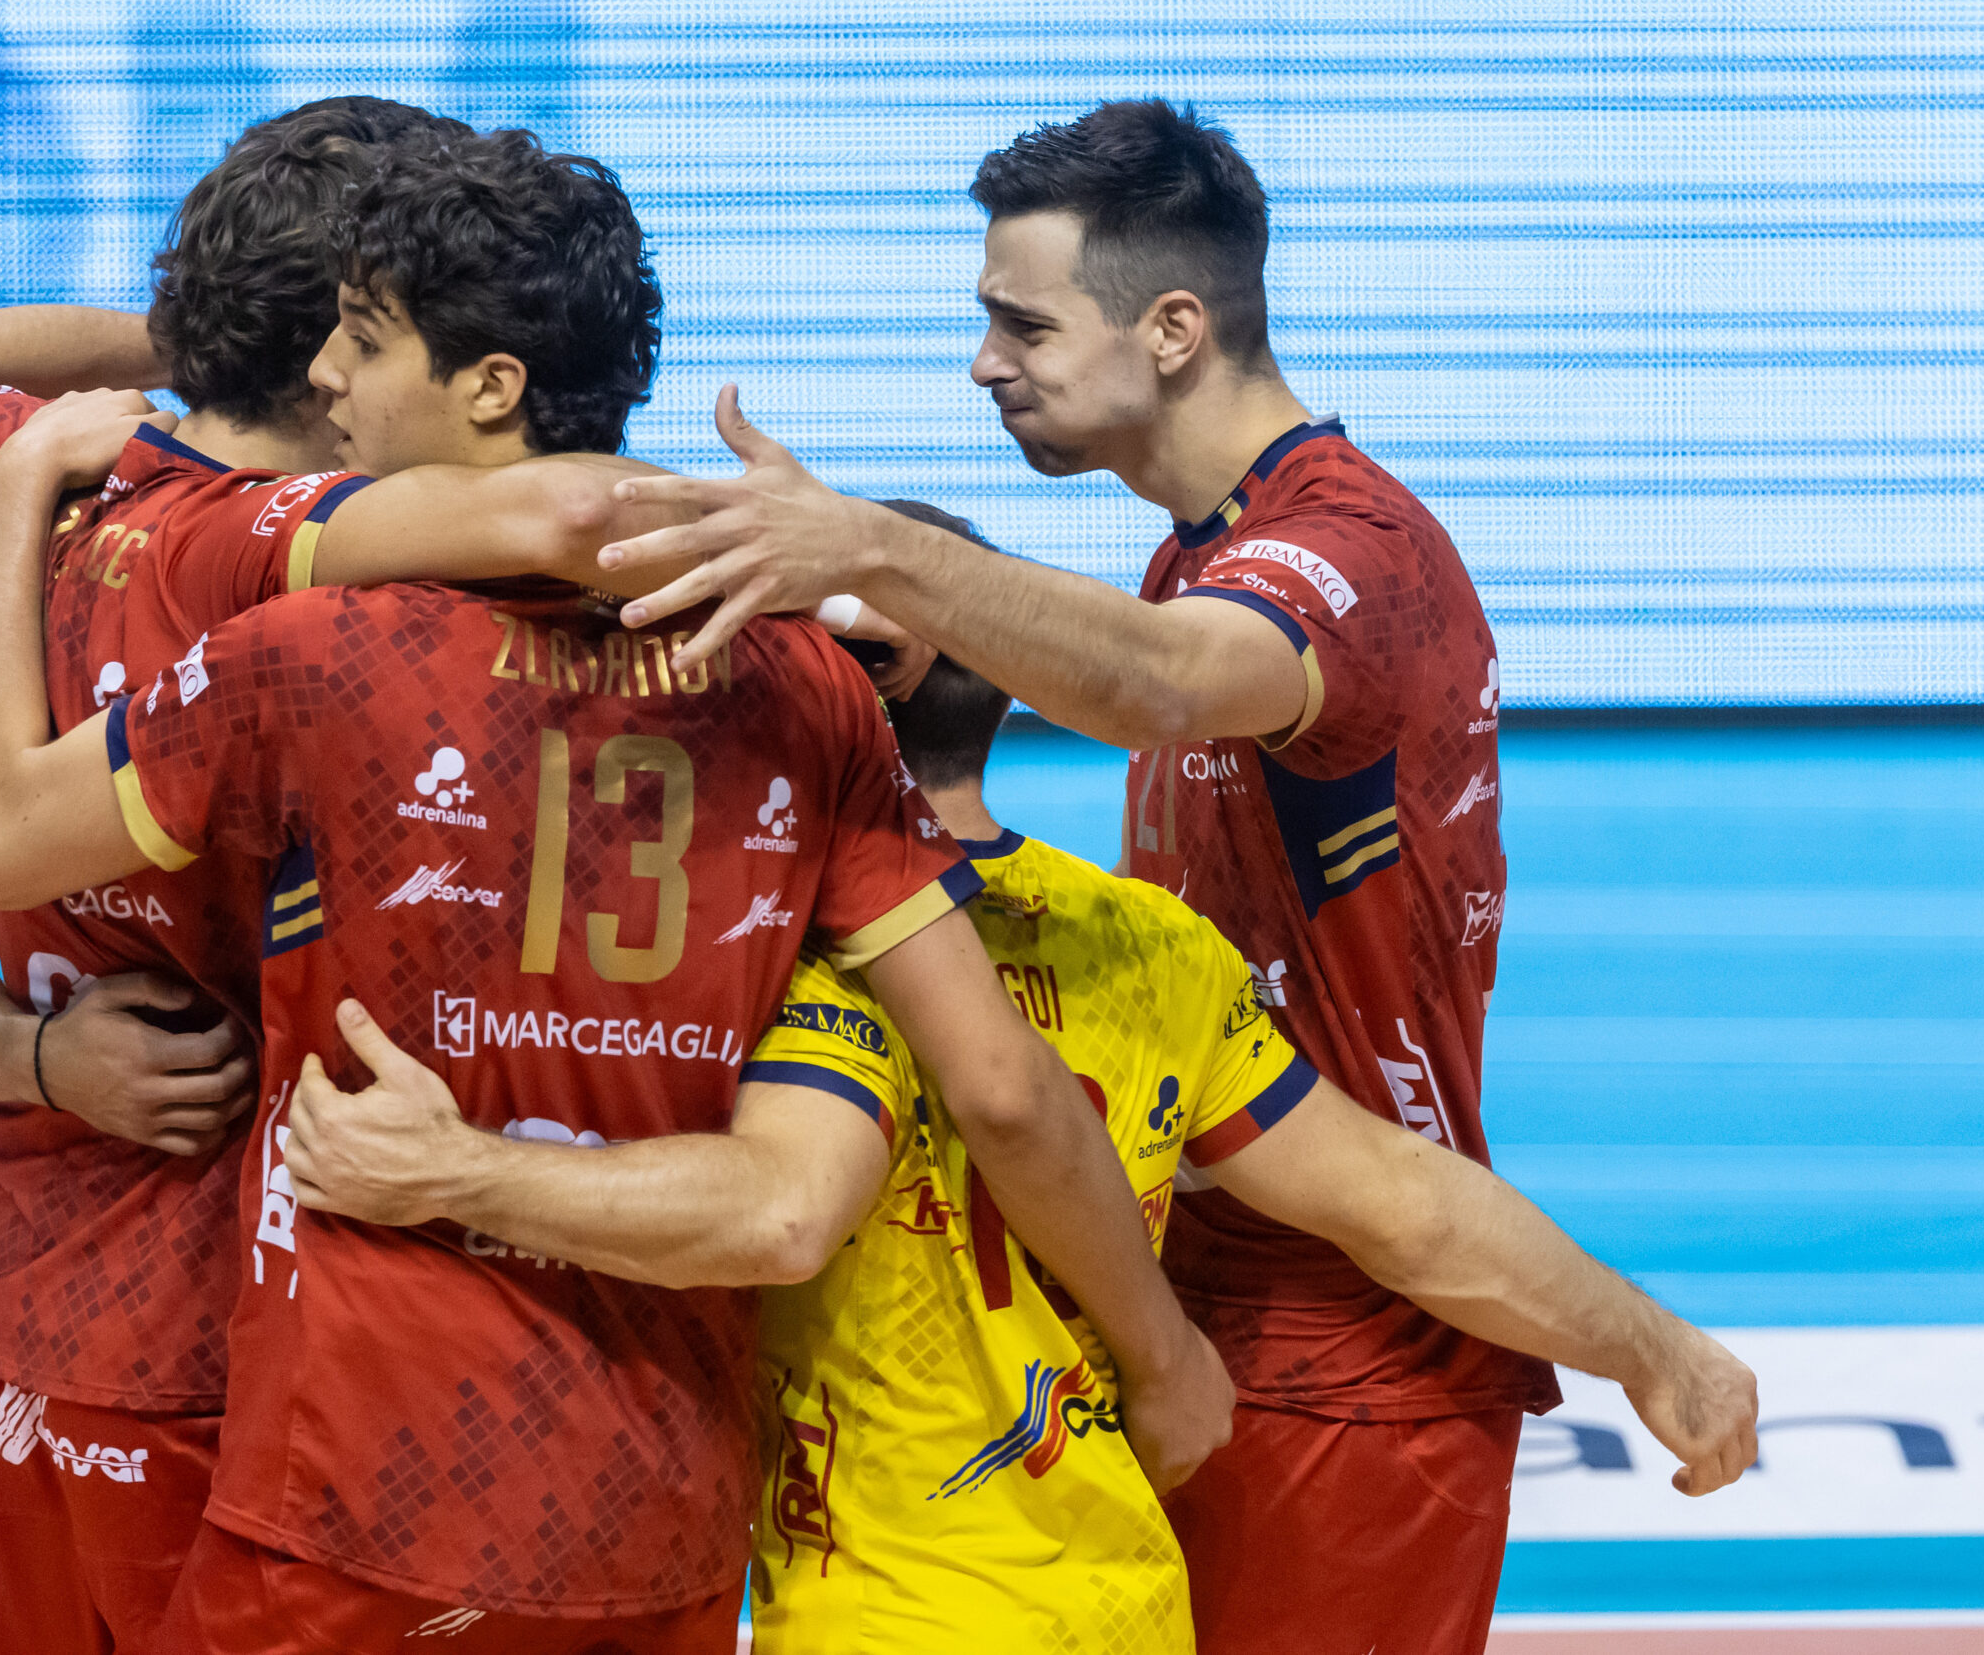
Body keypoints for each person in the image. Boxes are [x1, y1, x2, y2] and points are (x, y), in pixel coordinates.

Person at [0, 128, 1232, 1655]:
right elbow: (1002, 1089)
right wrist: (1163, 1356)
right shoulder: (806, 683)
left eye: (364, 341)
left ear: (489, 386)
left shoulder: (311, 657)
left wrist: (13, 507)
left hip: (357, 1495)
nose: (329, 379)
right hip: (657, 1517)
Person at [589, 97, 1698, 1651]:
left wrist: (870, 548)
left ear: (1174, 328)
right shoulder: (1199, 556)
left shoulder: (1345, 554)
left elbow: (1160, 683)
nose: (985, 364)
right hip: (1196, 1312)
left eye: (1024, 325)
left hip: (1347, 1364)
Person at [274, 502, 1758, 1655]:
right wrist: (1655, 1349)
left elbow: (778, 1215)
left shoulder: (767, 946)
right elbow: (1404, 1205)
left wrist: (453, 1172)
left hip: (881, 1617)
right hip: (1116, 1602)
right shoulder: (1150, 945)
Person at [0, 97, 677, 1654]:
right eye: (374, 312)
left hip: (30, 1303)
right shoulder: (284, 546)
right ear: (333, 353)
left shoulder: (17, 476)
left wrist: (168, 356)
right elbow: (567, 509)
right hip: (241, 1321)